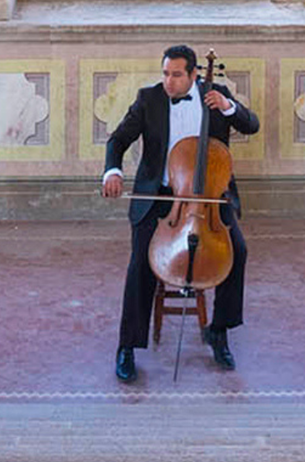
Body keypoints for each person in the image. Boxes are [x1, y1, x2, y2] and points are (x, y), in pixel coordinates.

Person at [101, 45, 258, 383]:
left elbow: (251, 125)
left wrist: (228, 107)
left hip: (209, 197)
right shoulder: (149, 99)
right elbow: (118, 140)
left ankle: (219, 331)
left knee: (238, 252)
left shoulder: (216, 95)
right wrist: (112, 171)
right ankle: (127, 345)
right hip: (160, 197)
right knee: (141, 262)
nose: (168, 81)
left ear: (193, 75)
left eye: (176, 75)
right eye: (165, 74)